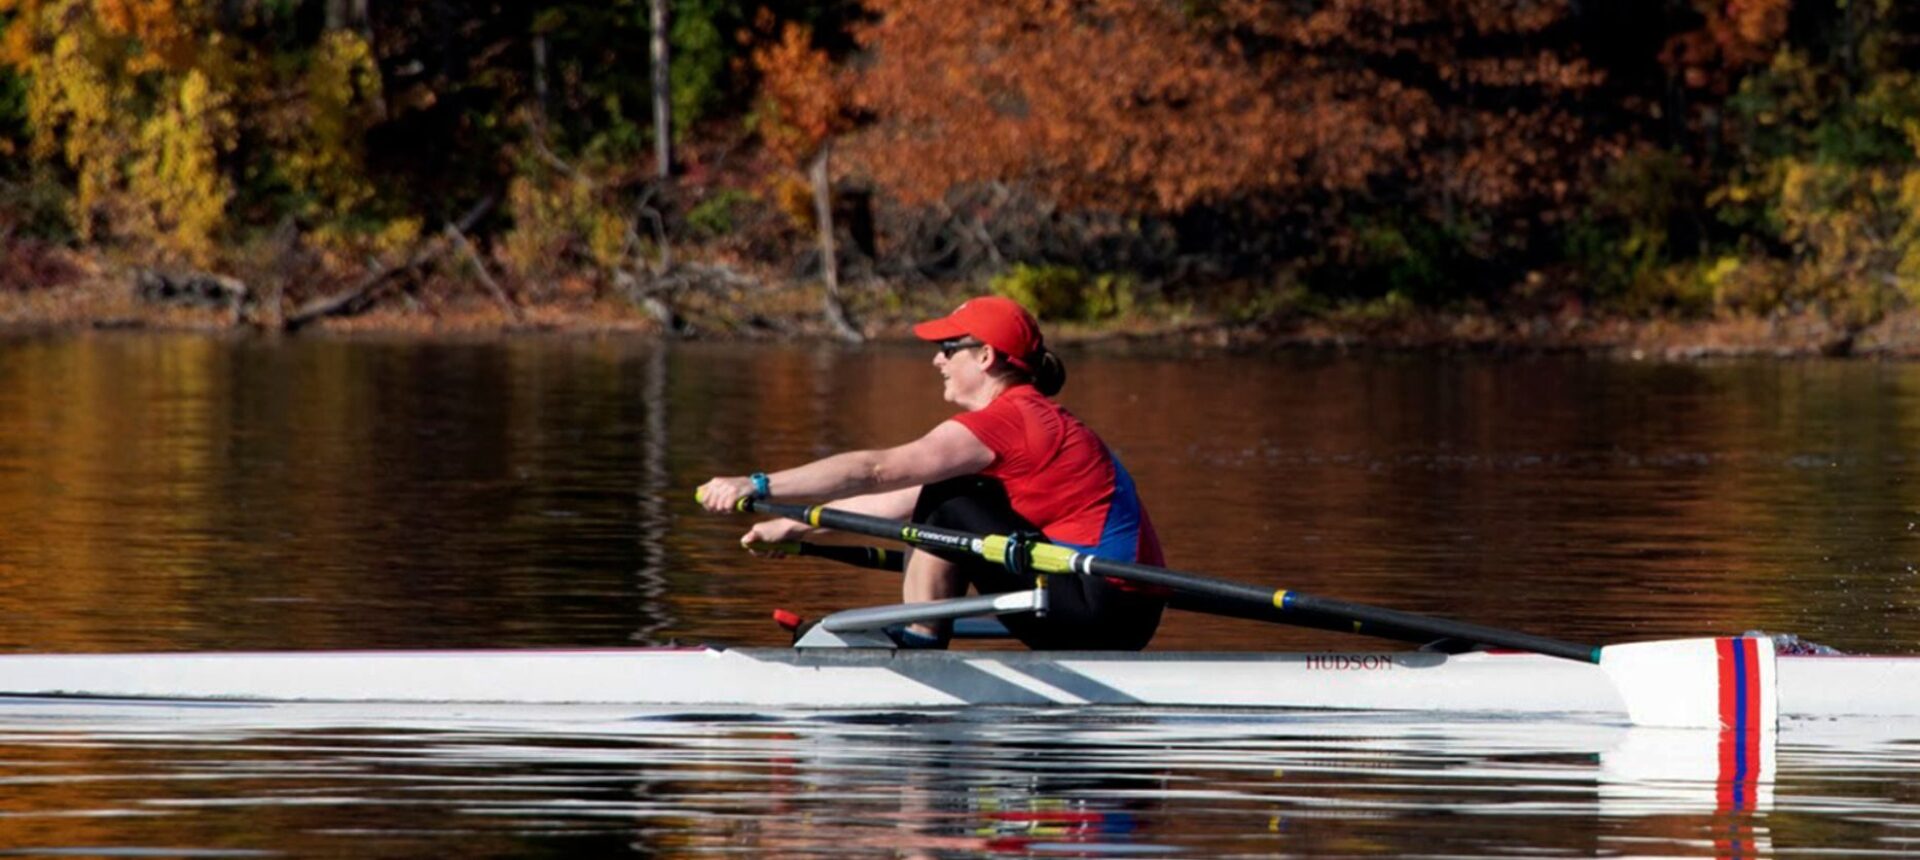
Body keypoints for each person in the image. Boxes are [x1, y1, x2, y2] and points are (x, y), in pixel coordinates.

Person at [696, 296, 1164, 650]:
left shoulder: (1009, 422)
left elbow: (877, 470)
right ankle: (921, 632)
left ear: (986, 357)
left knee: (948, 502)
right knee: (943, 498)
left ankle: (920, 641)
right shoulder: (1031, 417)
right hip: (1120, 609)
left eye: (948, 347)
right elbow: (907, 500)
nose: (937, 360)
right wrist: (795, 525)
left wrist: (756, 484)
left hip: (1098, 607)